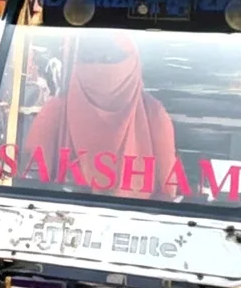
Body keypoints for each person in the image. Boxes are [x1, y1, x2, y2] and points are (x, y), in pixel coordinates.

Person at [22, 32, 176, 199]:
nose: (97, 66)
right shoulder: (56, 111)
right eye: (88, 58)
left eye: (109, 58)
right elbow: (30, 185)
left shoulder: (154, 115)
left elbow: (166, 195)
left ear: (133, 62)